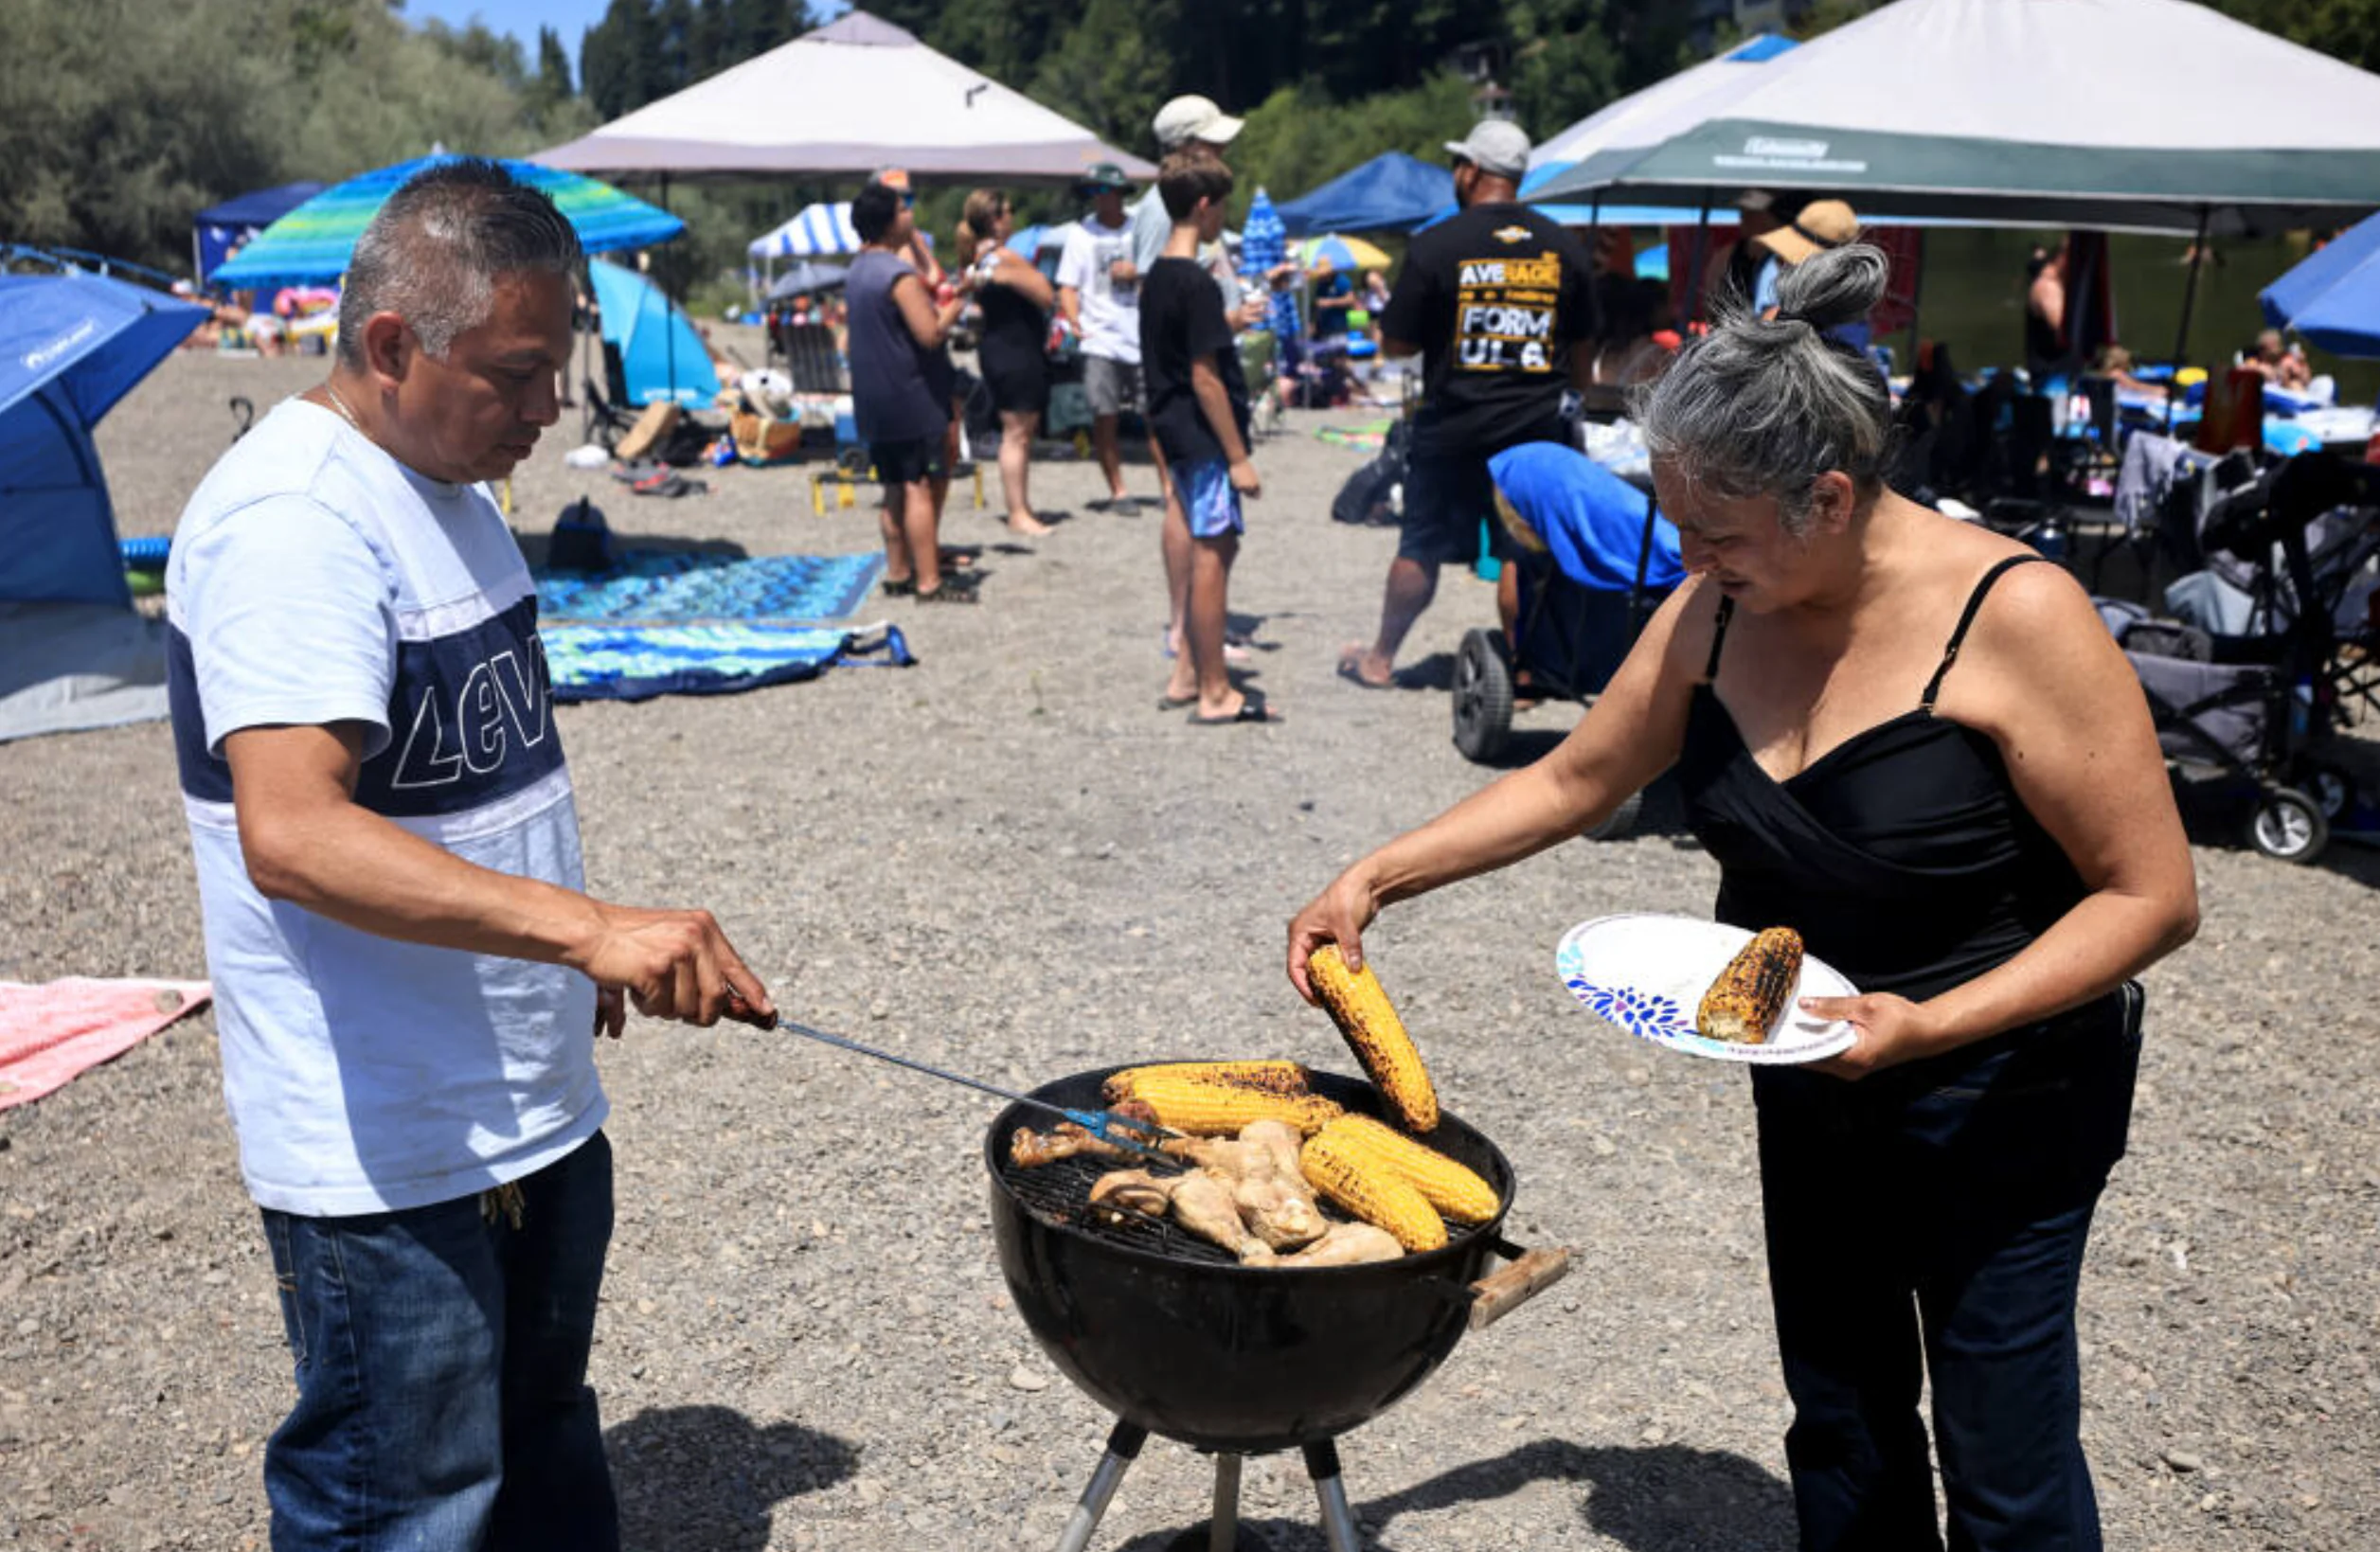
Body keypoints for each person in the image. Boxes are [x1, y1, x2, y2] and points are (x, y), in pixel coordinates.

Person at [1289, 244, 2198, 1552]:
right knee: (1838, 1413)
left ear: (1827, 498)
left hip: (1999, 1088)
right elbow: (1575, 779)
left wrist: (1931, 1027)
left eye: (1714, 531)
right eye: (1678, 525)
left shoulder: (2016, 615)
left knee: (2002, 1449)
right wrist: (1372, 875)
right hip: (1810, 1063)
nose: (1690, 556)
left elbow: (2152, 896)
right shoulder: (1718, 607)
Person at [163, 159, 778, 1552]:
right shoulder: (294, 522)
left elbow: (474, 778)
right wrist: (583, 931)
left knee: (543, 1438)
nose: (550, 408)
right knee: (403, 1500)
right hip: (386, 1147)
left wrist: (560, 933)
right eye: (515, 373)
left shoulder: (452, 482)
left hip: (527, 1098)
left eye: (552, 367)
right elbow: (296, 832)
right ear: (391, 347)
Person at [1338, 118, 1594, 690]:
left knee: (1421, 546)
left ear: (1472, 171)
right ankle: (1526, 671)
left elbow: (1397, 344)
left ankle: (1380, 659)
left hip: (1451, 429)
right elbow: (1582, 353)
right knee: (1519, 554)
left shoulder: (1436, 245)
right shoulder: (1564, 248)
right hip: (1534, 431)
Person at [1132, 96, 1267, 670]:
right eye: (1211, 143)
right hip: (1191, 400)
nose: (1223, 150)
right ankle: (1188, 635)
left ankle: (1192, 649)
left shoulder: (1181, 208)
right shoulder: (1168, 212)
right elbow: (1166, 312)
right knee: (1191, 514)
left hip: (1194, 384)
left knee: (1193, 511)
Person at [848, 179, 975, 602]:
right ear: (887, 223)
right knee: (919, 484)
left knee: (892, 487)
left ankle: (898, 573)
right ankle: (928, 582)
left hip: (872, 396)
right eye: (903, 211)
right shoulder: (895, 274)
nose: (910, 216)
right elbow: (931, 333)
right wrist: (962, 299)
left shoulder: (857, 269)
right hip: (907, 394)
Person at [959, 188, 1059, 537]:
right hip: (1017, 350)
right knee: (1017, 434)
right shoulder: (1005, 258)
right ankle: (1018, 511)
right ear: (995, 219)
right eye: (1009, 210)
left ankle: (1021, 506)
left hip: (997, 347)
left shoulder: (975, 259)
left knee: (1015, 432)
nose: (1013, 216)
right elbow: (1047, 296)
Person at [1057, 163, 1146, 516]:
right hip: (1100, 337)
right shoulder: (1081, 234)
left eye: (1102, 190)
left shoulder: (1140, 231)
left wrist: (1136, 271)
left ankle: (1169, 485)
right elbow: (1068, 284)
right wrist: (1074, 320)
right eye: (1091, 192)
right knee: (1104, 415)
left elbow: (1162, 270)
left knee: (1154, 414)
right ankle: (1118, 490)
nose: (1097, 198)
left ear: (1118, 193)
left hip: (1139, 333)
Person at [2026, 240, 2069, 382]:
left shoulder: (2058, 284)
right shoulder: (2048, 287)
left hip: (2062, 374)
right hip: (2052, 378)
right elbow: (2061, 328)